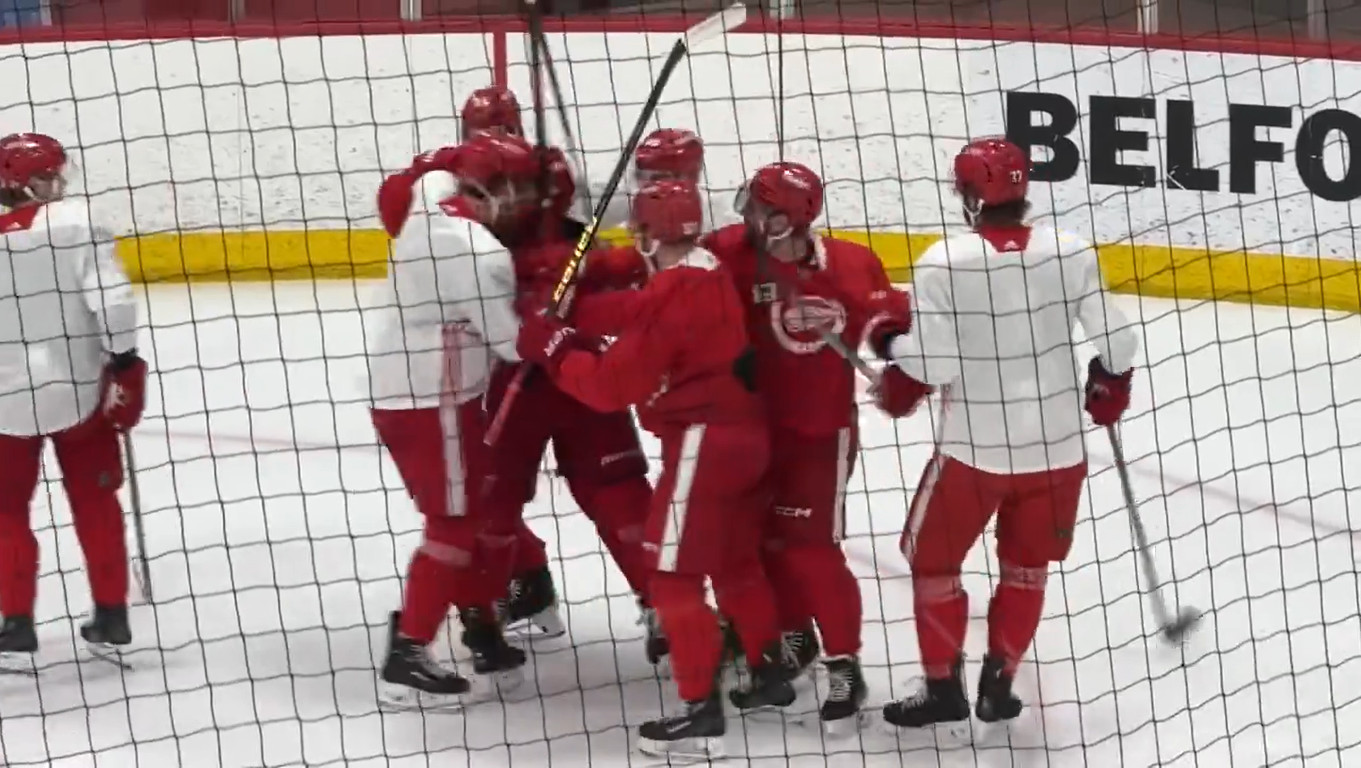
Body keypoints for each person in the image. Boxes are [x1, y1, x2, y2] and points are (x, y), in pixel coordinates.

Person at [516, 179, 790, 760]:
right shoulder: (705, 267)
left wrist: (557, 349)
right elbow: (641, 309)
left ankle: (700, 713)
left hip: (703, 445)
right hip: (746, 440)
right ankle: (769, 672)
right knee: (736, 561)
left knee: (671, 579)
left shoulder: (673, 289)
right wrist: (576, 312)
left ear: (644, 232)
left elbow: (611, 386)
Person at [873, 136, 1139, 728]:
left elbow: (934, 364)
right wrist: (1108, 381)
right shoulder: (1070, 250)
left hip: (974, 453)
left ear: (969, 196)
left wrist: (890, 344)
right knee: (1026, 570)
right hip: (1057, 451)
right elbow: (1119, 343)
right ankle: (1000, 685)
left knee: (934, 565)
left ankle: (942, 689)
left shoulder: (945, 260)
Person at [700, 160, 912, 730]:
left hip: (820, 435)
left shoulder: (850, 263)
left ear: (781, 220)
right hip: (746, 432)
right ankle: (795, 637)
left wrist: (897, 364)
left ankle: (845, 665)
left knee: (810, 549)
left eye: (757, 206)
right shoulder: (726, 252)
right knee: (759, 543)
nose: (745, 213)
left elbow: (891, 319)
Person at [459, 86, 661, 655]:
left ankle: (668, 606)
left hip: (566, 356)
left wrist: (598, 264)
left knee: (615, 489)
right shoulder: (457, 192)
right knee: (489, 500)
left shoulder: (550, 177)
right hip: (511, 366)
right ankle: (510, 597)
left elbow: (603, 241)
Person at [367, 132, 543, 706]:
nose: (524, 204)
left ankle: (482, 630)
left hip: (424, 394)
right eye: (518, 190)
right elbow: (511, 342)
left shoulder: (431, 211)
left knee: (471, 514)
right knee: (454, 525)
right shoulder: (473, 248)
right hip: (431, 400)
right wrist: (549, 323)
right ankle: (409, 652)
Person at [0, 133, 146, 662]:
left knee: (5, 511)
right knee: (96, 500)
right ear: (23, 182)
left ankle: (16, 623)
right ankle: (112, 613)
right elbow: (114, 302)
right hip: (81, 392)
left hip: (5, 403)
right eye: (48, 176)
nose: (58, 184)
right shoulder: (78, 223)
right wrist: (126, 361)